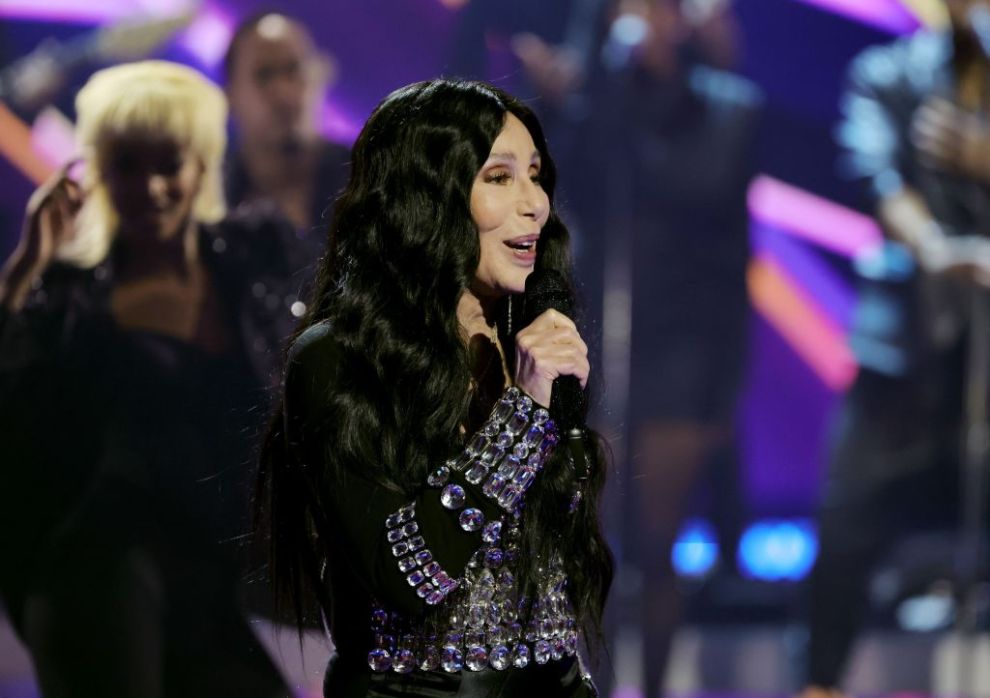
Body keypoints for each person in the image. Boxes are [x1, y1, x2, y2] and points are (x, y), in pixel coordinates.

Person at [256, 78, 614, 696]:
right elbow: (405, 575)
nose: (535, 203)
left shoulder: (528, 345)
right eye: (499, 178)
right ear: (428, 196)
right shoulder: (338, 360)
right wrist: (523, 415)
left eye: (535, 174)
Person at [0, 60, 295, 697]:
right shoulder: (71, 300)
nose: (150, 187)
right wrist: (24, 270)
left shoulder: (250, 268)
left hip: (212, 576)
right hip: (99, 571)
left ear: (202, 165)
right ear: (99, 170)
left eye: (169, 164)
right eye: (127, 164)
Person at [801, 1, 990, 695]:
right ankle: (820, 683)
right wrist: (937, 248)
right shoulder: (889, 72)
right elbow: (876, 176)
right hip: (904, 344)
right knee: (846, 526)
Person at [223, 12, 350, 239]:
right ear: (230, 97)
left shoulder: (366, 180)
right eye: (264, 75)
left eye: (294, 70)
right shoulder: (213, 200)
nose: (284, 94)